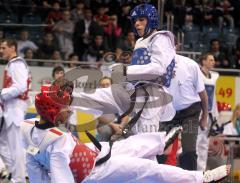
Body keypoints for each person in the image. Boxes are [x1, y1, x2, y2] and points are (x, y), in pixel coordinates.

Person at [21, 78, 231, 183]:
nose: (69, 111)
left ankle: (160, 141)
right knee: (147, 169)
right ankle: (201, 178)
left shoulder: (29, 128)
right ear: (52, 113)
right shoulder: (57, 145)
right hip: (96, 170)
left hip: (92, 151)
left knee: (131, 144)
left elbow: (34, 167)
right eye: (65, 108)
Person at [70, 3, 177, 136]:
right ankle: (69, 97)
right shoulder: (140, 42)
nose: (137, 24)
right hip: (136, 90)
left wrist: (125, 71)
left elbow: (158, 68)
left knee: (145, 140)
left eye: (141, 19)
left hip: (152, 94)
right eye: (135, 20)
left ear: (152, 19)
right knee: (104, 94)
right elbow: (143, 69)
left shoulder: (160, 38)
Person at [159, 53, 208, 171]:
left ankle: (191, 178)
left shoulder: (190, 65)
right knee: (158, 148)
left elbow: (203, 95)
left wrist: (204, 117)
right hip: (169, 112)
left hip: (190, 112)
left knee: (188, 150)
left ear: (175, 47)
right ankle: (155, 178)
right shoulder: (158, 65)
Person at [0, 38, 31, 183]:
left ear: (13, 47)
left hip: (15, 108)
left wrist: (2, 93)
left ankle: (19, 178)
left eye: (3, 48)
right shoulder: (12, 64)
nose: (1, 51)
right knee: (3, 144)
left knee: (16, 145)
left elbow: (21, 86)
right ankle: (15, 173)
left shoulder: (17, 63)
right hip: (10, 108)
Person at [197, 53, 219, 171]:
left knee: (204, 144)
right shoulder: (197, 74)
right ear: (203, 61)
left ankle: (202, 171)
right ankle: (193, 171)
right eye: (210, 60)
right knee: (196, 142)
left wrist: (215, 115)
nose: (213, 62)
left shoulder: (214, 76)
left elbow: (213, 97)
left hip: (209, 113)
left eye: (213, 60)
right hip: (197, 112)